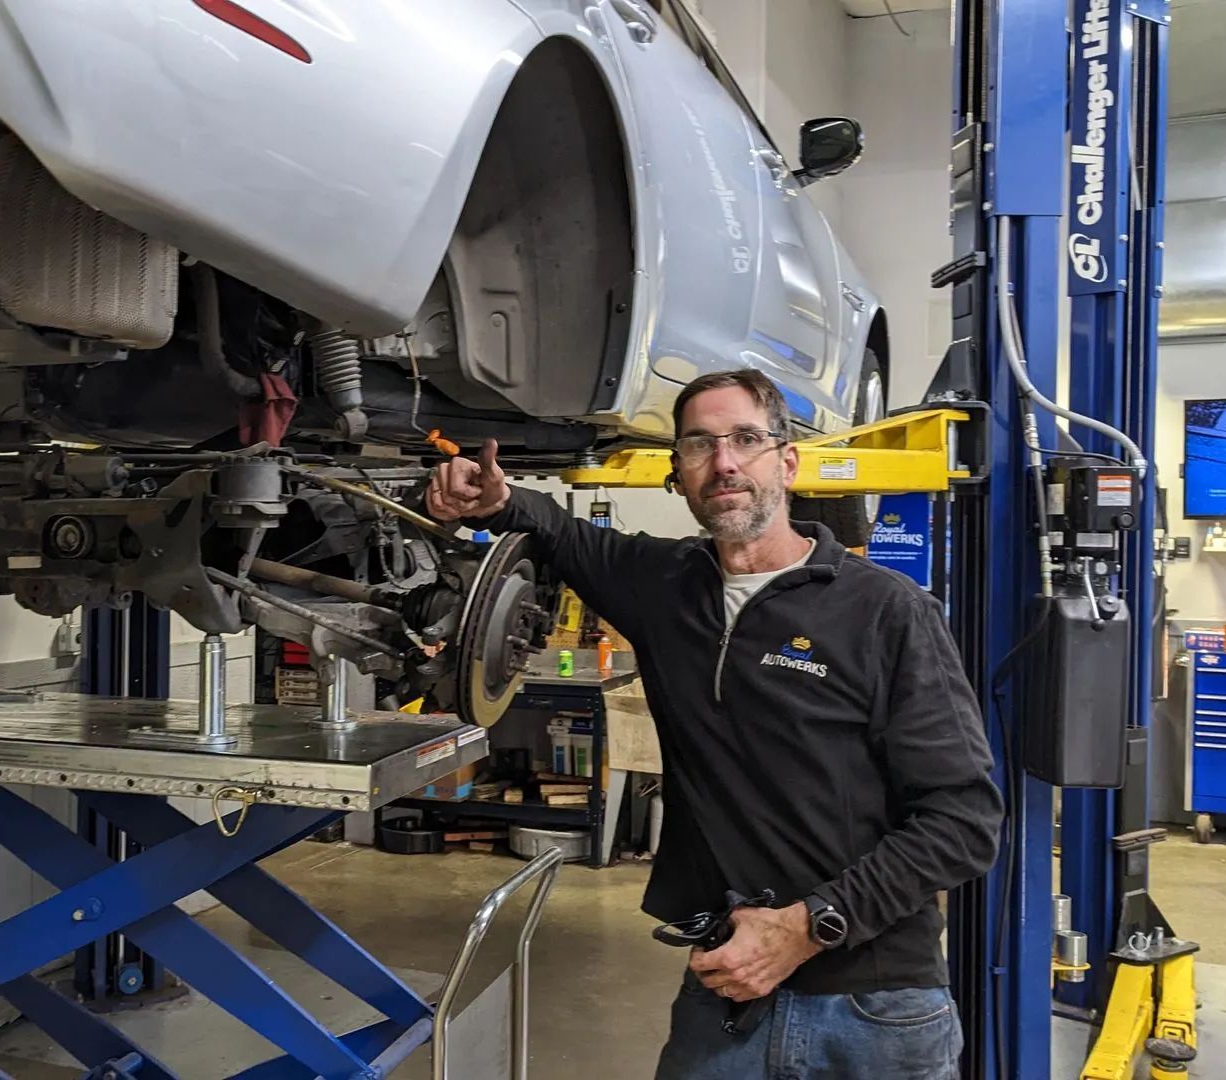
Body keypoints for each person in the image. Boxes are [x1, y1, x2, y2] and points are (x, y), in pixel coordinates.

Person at [426, 369, 1003, 1079]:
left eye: (746, 440)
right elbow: (562, 534)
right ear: (679, 471)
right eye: (699, 444)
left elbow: (964, 820)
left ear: (787, 462)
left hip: (873, 1006)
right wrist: (497, 499)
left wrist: (806, 927)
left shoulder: (886, 611)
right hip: (726, 992)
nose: (724, 462)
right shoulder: (664, 584)